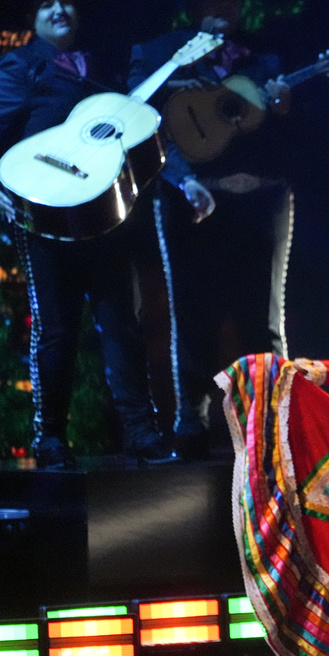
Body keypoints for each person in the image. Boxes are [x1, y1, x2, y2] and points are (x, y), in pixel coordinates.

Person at [0, 0, 173, 468]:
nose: (60, 8)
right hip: (44, 212)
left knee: (122, 323)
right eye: (46, 3)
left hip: (105, 214)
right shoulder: (18, 64)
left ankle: (143, 432)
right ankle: (50, 439)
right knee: (56, 328)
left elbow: (131, 132)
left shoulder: (100, 66)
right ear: (32, 18)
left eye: (67, 2)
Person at [128, 0, 296, 458]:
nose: (228, 6)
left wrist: (284, 108)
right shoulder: (158, 52)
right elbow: (137, 123)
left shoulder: (266, 56)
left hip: (262, 197)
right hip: (189, 200)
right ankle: (191, 425)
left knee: (263, 319)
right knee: (192, 315)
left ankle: (272, 427)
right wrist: (184, 180)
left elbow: (298, 137)